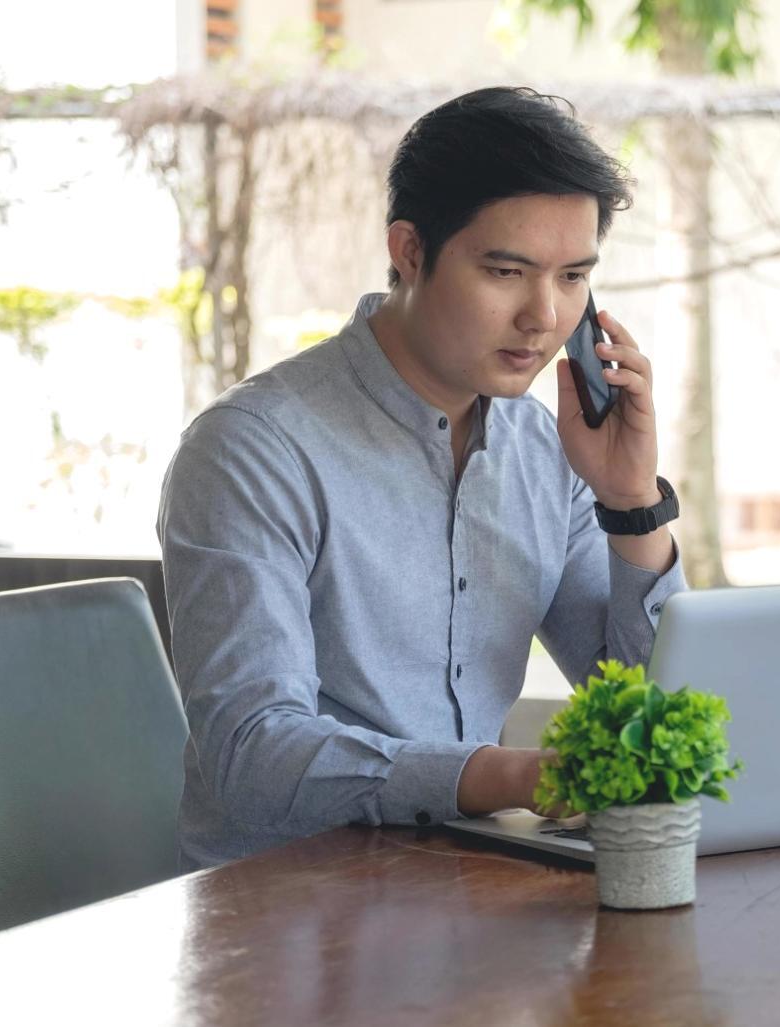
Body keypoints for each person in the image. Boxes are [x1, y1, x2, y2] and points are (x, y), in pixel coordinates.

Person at [157, 87, 686, 869]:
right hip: (279, 905)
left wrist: (631, 502)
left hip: (463, 884)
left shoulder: (547, 452)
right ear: (409, 251)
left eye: (574, 276)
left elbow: (651, 714)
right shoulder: (252, 450)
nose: (544, 316)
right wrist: (509, 777)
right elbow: (253, 753)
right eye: (506, 271)